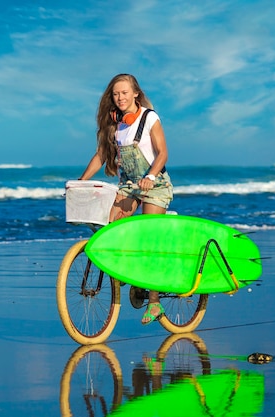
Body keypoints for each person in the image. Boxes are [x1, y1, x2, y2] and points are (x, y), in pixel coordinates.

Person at [79, 73, 174, 325]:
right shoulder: (117, 125)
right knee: (109, 228)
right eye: (115, 94)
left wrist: (151, 176)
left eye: (124, 92)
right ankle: (126, 271)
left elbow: (163, 153)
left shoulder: (149, 118)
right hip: (129, 186)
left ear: (135, 94)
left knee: (149, 239)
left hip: (155, 185)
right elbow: (100, 156)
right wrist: (81, 180)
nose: (120, 97)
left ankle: (154, 303)